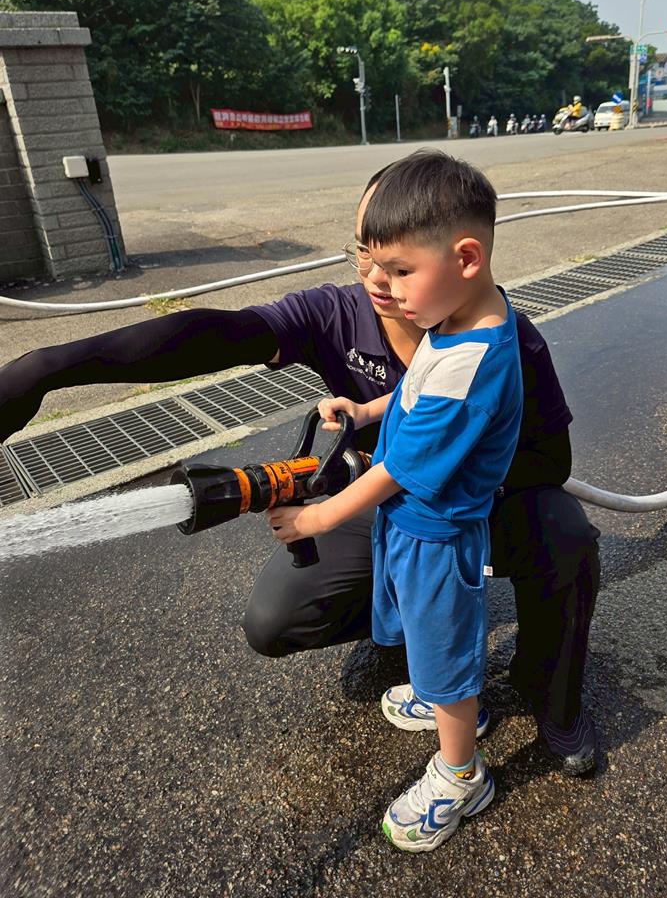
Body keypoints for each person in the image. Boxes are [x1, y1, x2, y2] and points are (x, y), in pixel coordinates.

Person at [0, 155, 600, 781]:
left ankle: (549, 690)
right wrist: (51, 367)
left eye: (397, 263)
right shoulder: (336, 315)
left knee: (565, 537)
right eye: (364, 250)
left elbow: (551, 461)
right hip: (383, 505)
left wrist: (402, 493)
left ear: (455, 257)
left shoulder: (499, 339)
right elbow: (220, 334)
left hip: (472, 505)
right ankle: (417, 640)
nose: (375, 277)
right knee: (276, 620)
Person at [267, 150, 523, 850]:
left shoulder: (472, 361)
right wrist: (367, 407)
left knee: (444, 644)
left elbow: (402, 469)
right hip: (414, 527)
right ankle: (443, 696)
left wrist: (317, 517)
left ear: (466, 257)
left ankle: (461, 771)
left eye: (401, 271)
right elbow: (415, 387)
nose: (385, 287)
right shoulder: (458, 319)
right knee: (426, 632)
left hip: (437, 535)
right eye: (373, 267)